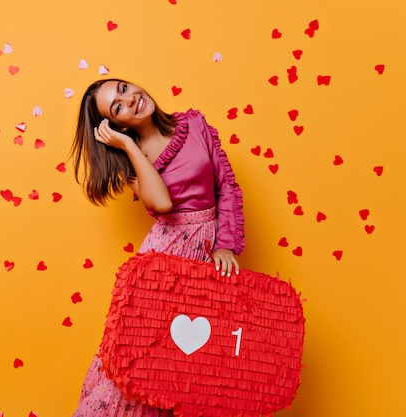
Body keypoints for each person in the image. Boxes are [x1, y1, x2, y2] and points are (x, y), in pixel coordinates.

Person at [69, 78, 245, 417]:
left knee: (189, 362)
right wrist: (128, 146)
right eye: (117, 107)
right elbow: (163, 204)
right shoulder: (127, 162)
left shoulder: (194, 124)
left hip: (209, 252)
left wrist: (226, 244)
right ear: (115, 125)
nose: (129, 98)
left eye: (123, 88)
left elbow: (225, 186)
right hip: (165, 259)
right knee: (145, 356)